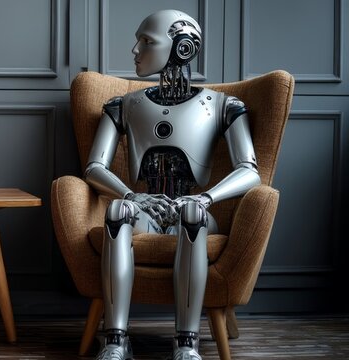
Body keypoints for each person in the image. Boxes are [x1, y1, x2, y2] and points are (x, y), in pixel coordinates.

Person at [79, 10, 260, 360]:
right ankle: (115, 339)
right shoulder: (124, 105)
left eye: (147, 41)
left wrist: (206, 199)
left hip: (193, 210)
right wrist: (134, 197)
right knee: (117, 210)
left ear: (183, 47)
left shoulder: (223, 106)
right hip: (145, 207)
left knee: (191, 213)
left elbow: (250, 170)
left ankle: (186, 343)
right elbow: (93, 167)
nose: (135, 49)